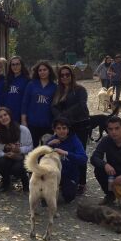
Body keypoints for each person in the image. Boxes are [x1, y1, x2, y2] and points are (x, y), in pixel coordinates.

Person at [52, 65, 90, 194]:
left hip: (79, 125)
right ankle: (67, 180)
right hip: (64, 127)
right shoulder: (58, 91)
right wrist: (59, 117)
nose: (64, 77)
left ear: (72, 75)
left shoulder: (80, 90)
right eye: (62, 75)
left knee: (79, 152)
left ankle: (82, 182)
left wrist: (64, 116)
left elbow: (81, 105)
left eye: (67, 74)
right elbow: (53, 106)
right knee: (64, 153)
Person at [46, 116, 87, 203]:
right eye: (58, 128)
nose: (61, 131)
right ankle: (52, 189)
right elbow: (39, 157)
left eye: (64, 128)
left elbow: (83, 159)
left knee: (69, 197)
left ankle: (64, 187)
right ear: (54, 130)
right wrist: (48, 145)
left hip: (69, 175)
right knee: (45, 199)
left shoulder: (74, 140)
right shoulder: (52, 140)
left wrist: (66, 153)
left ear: (68, 129)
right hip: (53, 174)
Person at [0, 106, 32, 192]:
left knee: (17, 168)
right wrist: (5, 154)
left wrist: (19, 150)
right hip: (8, 157)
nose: (3, 118)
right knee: (1, 161)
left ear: (10, 115)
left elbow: (30, 147)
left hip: (21, 156)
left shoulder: (23, 129)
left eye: (5, 115)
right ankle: (6, 183)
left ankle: (25, 182)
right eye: (0, 117)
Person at [21, 61, 57, 147]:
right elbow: (25, 103)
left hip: (48, 123)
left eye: (44, 70)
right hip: (32, 123)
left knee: (46, 150)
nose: (42, 72)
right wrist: (23, 120)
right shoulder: (31, 84)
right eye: (40, 70)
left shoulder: (54, 87)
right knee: (32, 150)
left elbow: (57, 106)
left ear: (49, 71)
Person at [3, 56, 30, 123]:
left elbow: (27, 100)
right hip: (7, 115)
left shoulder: (27, 80)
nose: (15, 66)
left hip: (21, 116)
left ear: (21, 65)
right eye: (13, 64)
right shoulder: (7, 80)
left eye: (17, 64)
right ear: (10, 66)